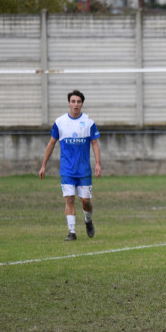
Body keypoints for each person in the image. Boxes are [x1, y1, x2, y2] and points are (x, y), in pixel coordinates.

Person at [39, 89, 101, 241]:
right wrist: (43, 165)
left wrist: (98, 163)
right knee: (69, 199)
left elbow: (95, 144)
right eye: (73, 101)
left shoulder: (88, 122)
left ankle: (88, 220)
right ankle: (72, 232)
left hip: (84, 170)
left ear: (82, 104)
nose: (76, 104)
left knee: (85, 201)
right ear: (69, 103)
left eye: (78, 102)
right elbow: (51, 144)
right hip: (67, 170)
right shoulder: (60, 123)